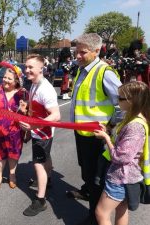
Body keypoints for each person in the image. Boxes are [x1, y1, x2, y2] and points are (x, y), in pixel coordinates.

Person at [68, 33, 123, 225]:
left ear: (97, 51)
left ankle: (94, 217)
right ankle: (93, 208)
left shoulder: (104, 72)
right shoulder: (82, 70)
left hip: (98, 138)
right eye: (76, 52)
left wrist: (109, 128)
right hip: (82, 134)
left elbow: (125, 105)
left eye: (82, 52)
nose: (78, 56)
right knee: (88, 175)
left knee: (96, 180)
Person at [94, 81, 150, 225]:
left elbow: (122, 156)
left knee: (101, 213)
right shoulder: (132, 117)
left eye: (120, 98)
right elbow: (122, 141)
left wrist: (105, 138)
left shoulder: (135, 126)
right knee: (121, 210)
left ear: (132, 101)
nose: (116, 100)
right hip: (128, 176)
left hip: (121, 177)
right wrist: (108, 131)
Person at [19, 54, 61, 216]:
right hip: (38, 130)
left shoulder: (46, 89)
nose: (26, 70)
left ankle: (40, 200)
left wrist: (32, 125)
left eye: (30, 67)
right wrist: (26, 110)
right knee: (45, 158)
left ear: (41, 68)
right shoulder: (34, 84)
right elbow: (37, 108)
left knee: (38, 164)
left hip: (42, 132)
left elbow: (56, 115)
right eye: (26, 67)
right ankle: (48, 178)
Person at [0, 61, 28, 191]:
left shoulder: (22, 93)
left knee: (13, 154)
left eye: (9, 79)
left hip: (15, 132)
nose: (6, 81)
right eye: (5, 77)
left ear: (17, 81)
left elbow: (27, 111)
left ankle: (12, 176)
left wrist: (24, 110)